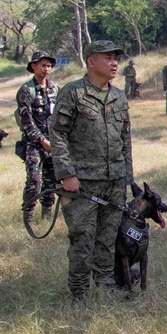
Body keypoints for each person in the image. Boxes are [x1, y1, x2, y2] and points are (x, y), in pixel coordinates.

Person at [49, 40, 133, 305]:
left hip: (114, 180)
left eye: (115, 58)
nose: (113, 63)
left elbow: (125, 138)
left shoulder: (119, 95)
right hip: (82, 183)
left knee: (108, 238)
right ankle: (80, 293)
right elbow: (58, 134)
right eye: (107, 58)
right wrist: (66, 173)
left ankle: (105, 285)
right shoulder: (73, 93)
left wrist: (127, 178)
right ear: (91, 62)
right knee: (83, 238)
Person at [16, 51, 59, 224]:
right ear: (33, 66)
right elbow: (26, 121)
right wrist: (42, 141)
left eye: (49, 66)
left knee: (52, 180)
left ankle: (47, 214)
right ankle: (29, 217)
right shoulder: (26, 90)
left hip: (53, 142)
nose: (46, 69)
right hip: (34, 144)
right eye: (43, 65)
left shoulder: (55, 89)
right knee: (34, 179)